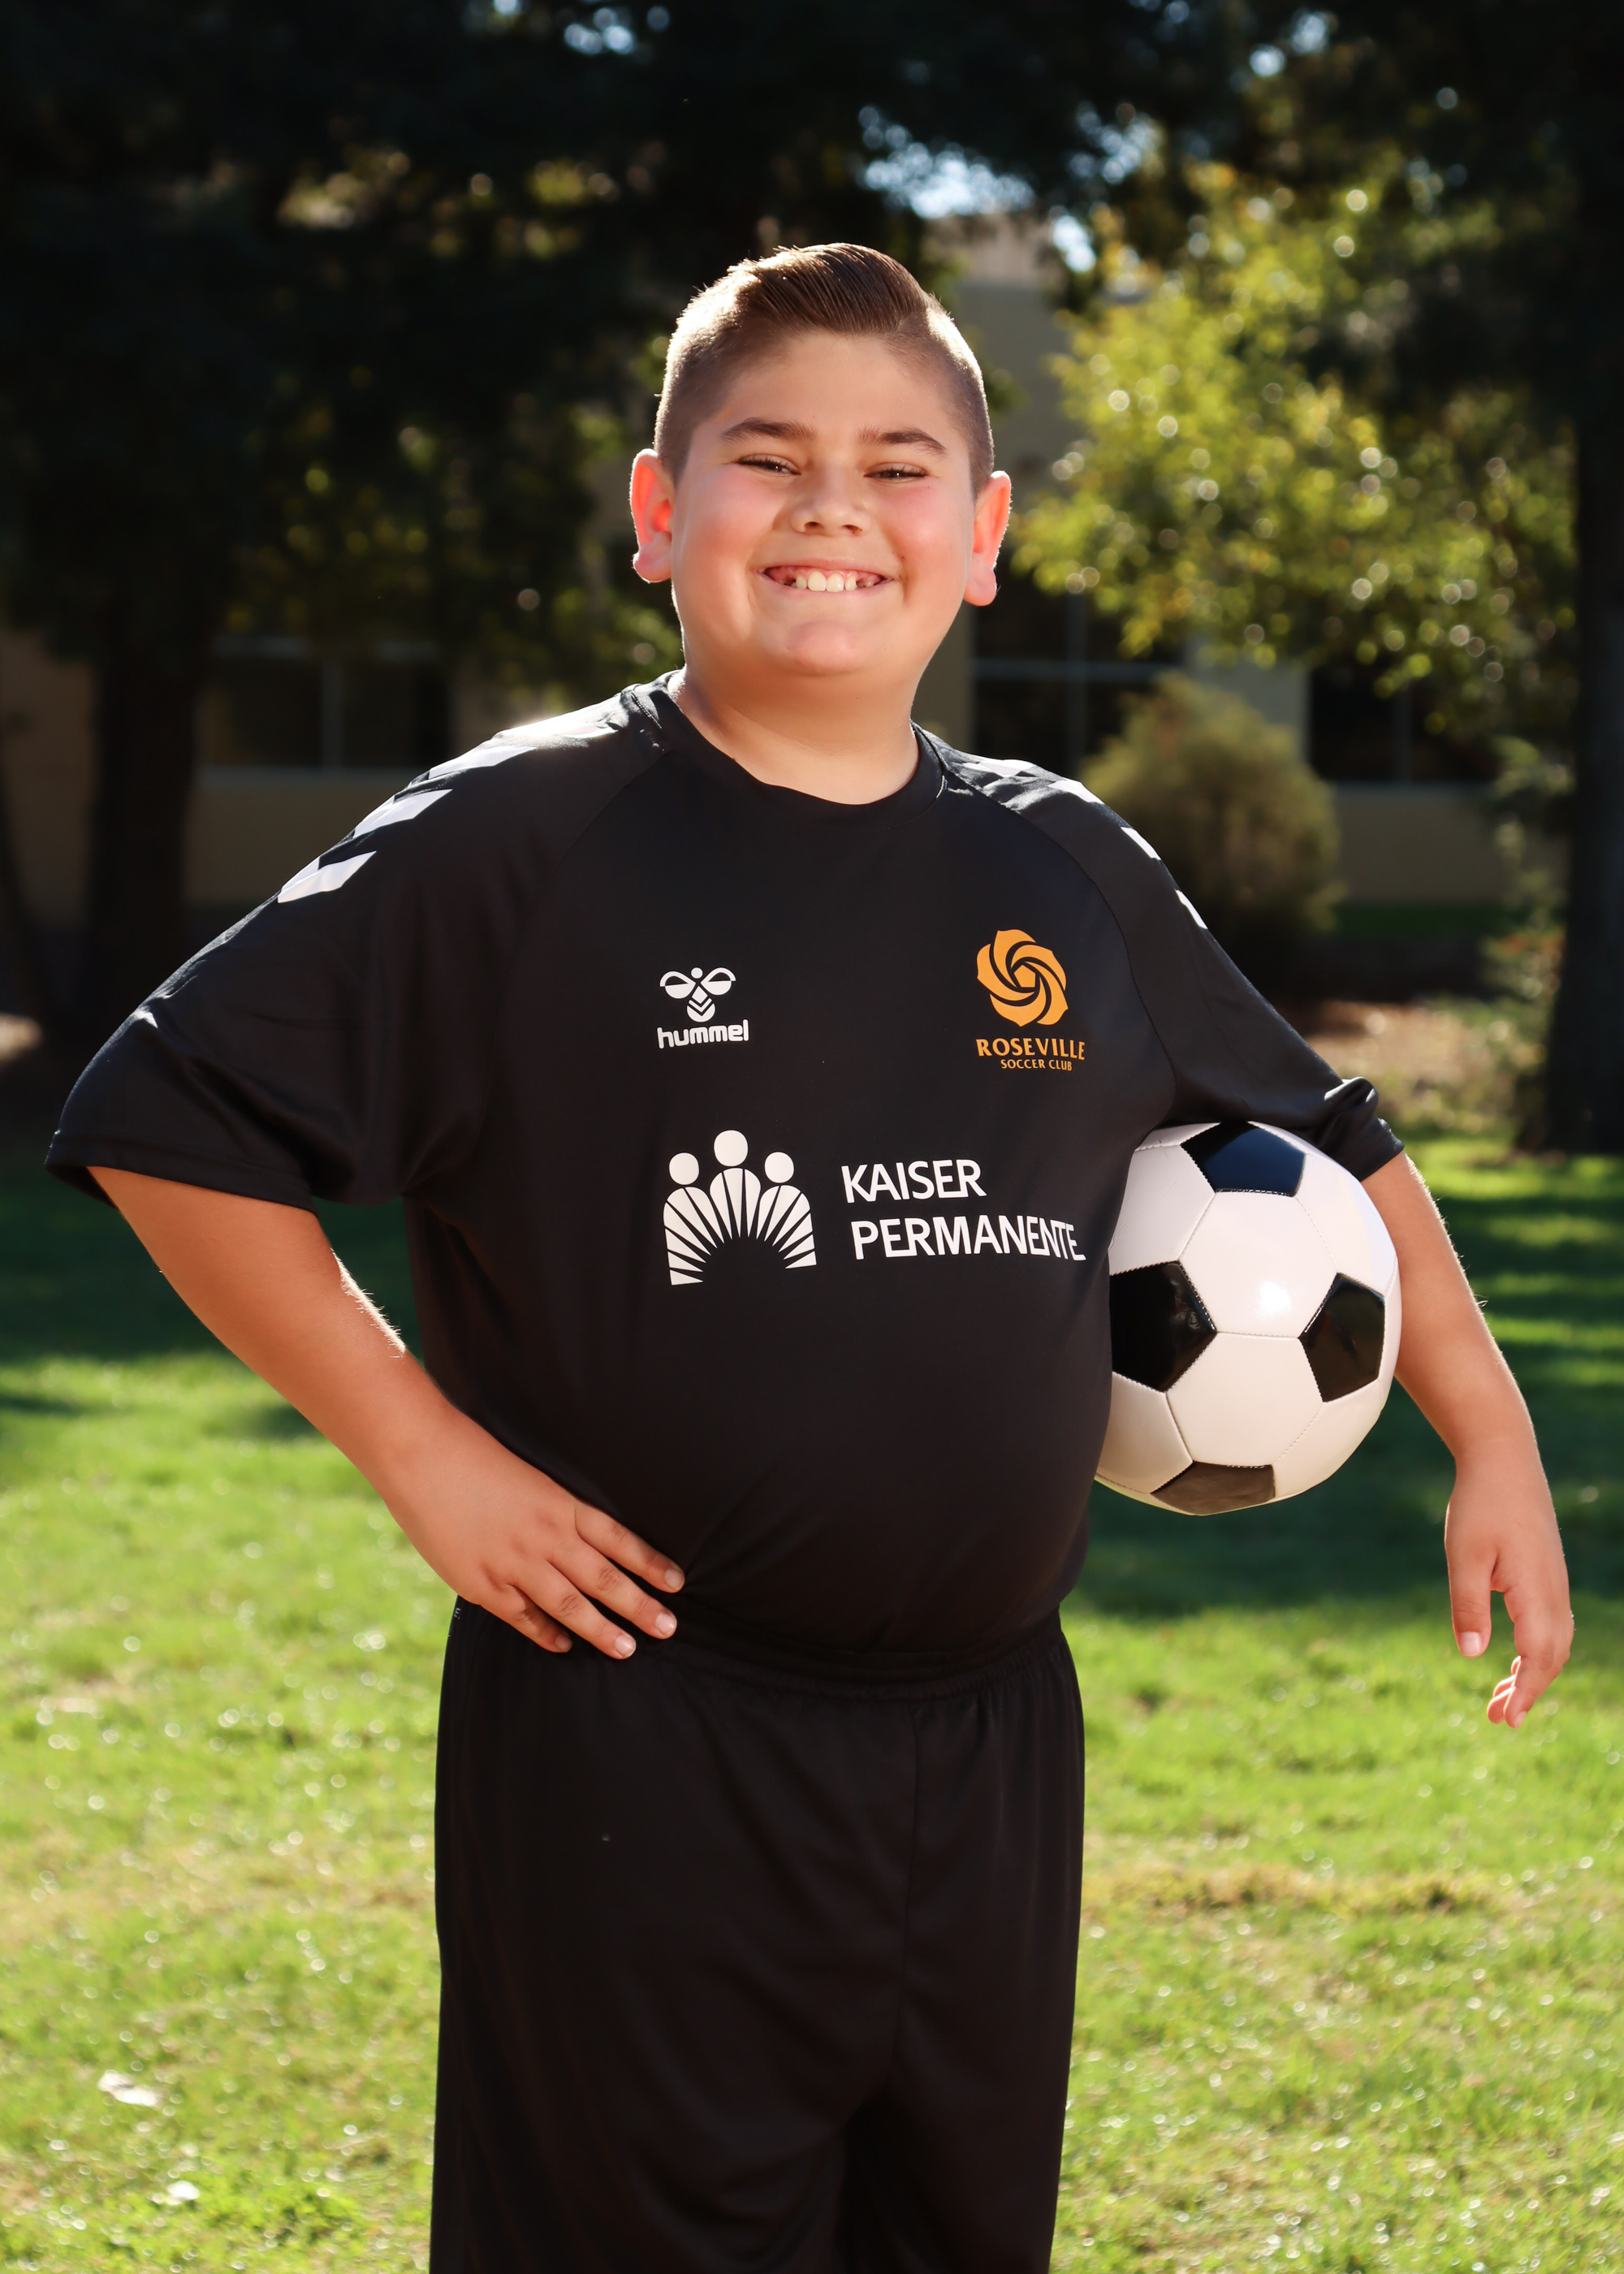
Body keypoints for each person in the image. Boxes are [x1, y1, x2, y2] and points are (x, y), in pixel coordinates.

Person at [47, 244, 1571, 2273]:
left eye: (897, 466)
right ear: (658, 511)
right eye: (767, 459)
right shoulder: (523, 838)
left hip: (990, 1742)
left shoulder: (1063, 864)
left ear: (984, 534)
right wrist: (423, 1455)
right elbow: (170, 1118)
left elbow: (1338, 1140)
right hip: (640, 1738)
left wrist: (1492, 1434)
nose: (833, 507)